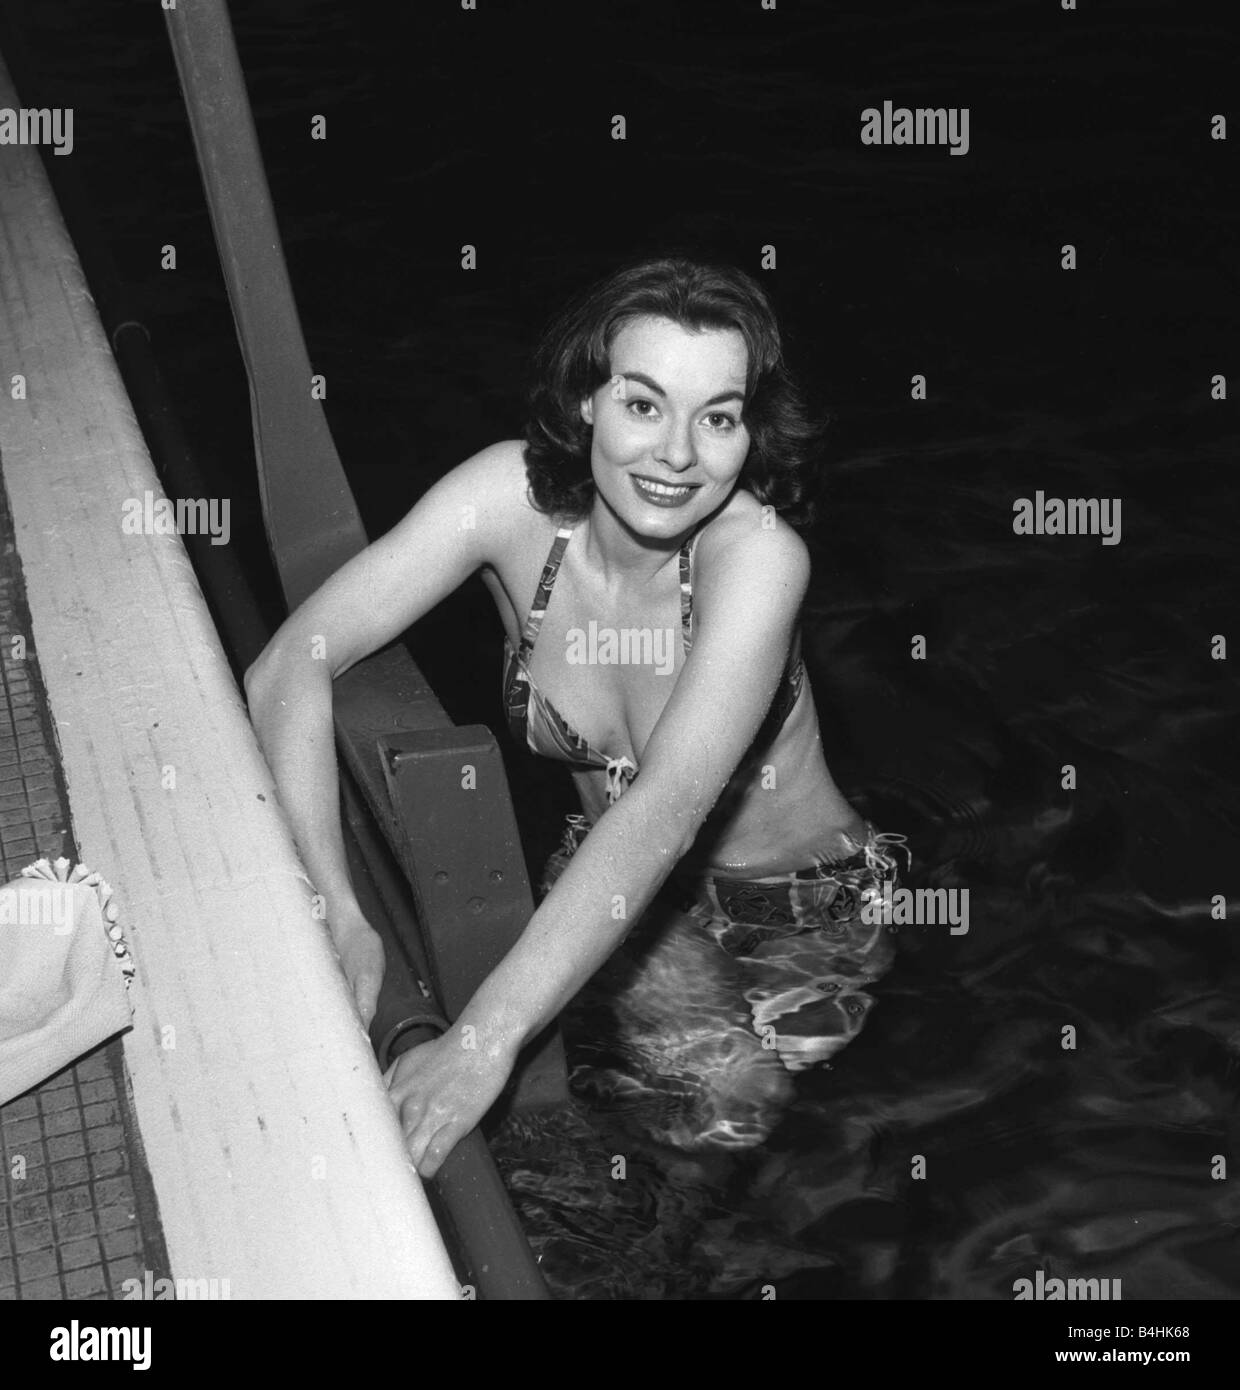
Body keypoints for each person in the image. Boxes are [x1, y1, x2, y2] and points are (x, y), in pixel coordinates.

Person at [244, 256, 907, 1179]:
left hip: (802, 904)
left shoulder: (758, 560)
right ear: (588, 400)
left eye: (716, 417)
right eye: (643, 404)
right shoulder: (504, 503)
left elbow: (668, 806)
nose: (677, 453)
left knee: (753, 1136)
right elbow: (290, 663)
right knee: (697, 1118)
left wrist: (480, 1044)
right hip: (629, 894)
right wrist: (338, 908)